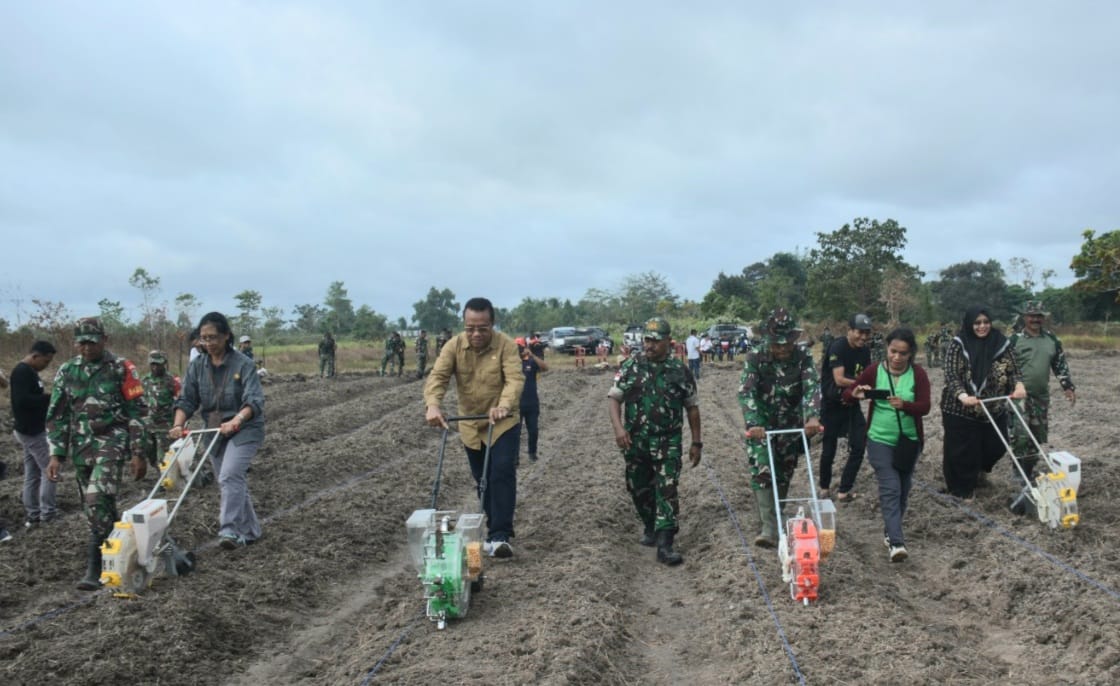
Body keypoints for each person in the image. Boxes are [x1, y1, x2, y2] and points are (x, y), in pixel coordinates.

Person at [45, 317, 147, 589]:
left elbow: (137, 410)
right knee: (97, 507)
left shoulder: (122, 368)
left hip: (112, 440)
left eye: (91, 342)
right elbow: (57, 415)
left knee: (96, 497)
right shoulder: (68, 371)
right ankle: (120, 551)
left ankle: (95, 565)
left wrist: (139, 452)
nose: (86, 348)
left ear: (104, 340)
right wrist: (56, 454)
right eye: (81, 342)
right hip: (81, 446)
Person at [424, 298, 524, 558]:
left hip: (501, 422)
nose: (476, 334)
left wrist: (503, 405)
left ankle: (500, 535)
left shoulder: (506, 345)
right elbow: (439, 376)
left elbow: (514, 379)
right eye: (470, 328)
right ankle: (492, 524)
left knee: (501, 472)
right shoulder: (453, 346)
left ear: (492, 324)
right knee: (482, 479)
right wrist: (433, 405)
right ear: (464, 325)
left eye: (483, 328)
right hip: (470, 424)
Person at [607, 317, 700, 566]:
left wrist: (696, 443)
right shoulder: (631, 366)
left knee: (666, 489)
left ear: (669, 342)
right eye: (647, 340)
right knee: (638, 487)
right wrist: (619, 429)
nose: (650, 345)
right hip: (635, 441)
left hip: (667, 441)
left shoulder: (680, 371)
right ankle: (650, 525)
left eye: (656, 341)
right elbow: (614, 399)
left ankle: (665, 542)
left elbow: (692, 408)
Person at [170, 312, 265, 549]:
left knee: (229, 475)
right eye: (204, 339)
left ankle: (229, 530)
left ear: (226, 336)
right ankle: (251, 531)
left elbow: (254, 400)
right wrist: (178, 424)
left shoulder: (243, 364)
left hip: (244, 428)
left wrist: (237, 420)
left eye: (213, 338)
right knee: (231, 482)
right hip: (213, 430)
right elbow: (187, 400)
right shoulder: (197, 366)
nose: (208, 343)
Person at [844, 328, 931, 562]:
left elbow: (925, 406)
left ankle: (890, 531)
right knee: (890, 487)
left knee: (903, 490)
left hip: (909, 442)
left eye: (903, 353)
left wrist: (905, 405)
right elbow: (848, 394)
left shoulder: (918, 374)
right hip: (879, 439)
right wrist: (858, 393)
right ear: (886, 349)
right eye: (893, 351)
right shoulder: (874, 371)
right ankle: (896, 542)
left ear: (910, 353)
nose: (897, 357)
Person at [739, 308, 822, 548]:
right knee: (763, 468)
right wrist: (754, 422)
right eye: (778, 344)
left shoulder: (803, 356)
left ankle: (777, 512)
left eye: (787, 344)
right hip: (762, 424)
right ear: (769, 339)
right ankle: (768, 527)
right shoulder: (756, 356)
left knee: (785, 469)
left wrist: (812, 417)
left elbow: (811, 387)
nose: (783, 349)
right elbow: (747, 391)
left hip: (791, 422)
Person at [940, 306, 1027, 500]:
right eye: (977, 323)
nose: (982, 326)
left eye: (986, 322)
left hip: (992, 406)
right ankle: (960, 492)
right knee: (962, 452)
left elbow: (1014, 370)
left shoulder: (1001, 342)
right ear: (970, 324)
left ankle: (978, 473)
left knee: (996, 445)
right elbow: (952, 374)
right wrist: (963, 395)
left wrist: (1019, 385)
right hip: (960, 409)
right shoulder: (959, 343)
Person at [1009, 300, 1076, 484]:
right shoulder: (1014, 340)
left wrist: (1067, 386)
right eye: (1031, 316)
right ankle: (1018, 472)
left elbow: (1059, 365)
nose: (1035, 319)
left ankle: (1029, 471)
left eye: (1039, 316)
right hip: (1018, 397)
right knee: (1020, 435)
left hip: (1041, 397)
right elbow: (1005, 367)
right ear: (1024, 317)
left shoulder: (1051, 340)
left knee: (1037, 435)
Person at [819, 313, 873, 501]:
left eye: (867, 333)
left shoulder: (865, 351)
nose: (863, 337)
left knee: (859, 444)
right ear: (850, 331)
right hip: (832, 403)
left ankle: (844, 490)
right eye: (860, 332)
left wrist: (866, 386)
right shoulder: (838, 346)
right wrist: (861, 385)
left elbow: (867, 375)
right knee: (829, 447)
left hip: (851, 403)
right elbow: (839, 379)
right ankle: (824, 487)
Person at [11, 340, 59, 529]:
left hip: (30, 430)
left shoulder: (30, 372)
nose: (46, 365)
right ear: (35, 356)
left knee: (32, 473)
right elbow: (22, 401)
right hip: (30, 431)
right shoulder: (22, 372)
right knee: (51, 470)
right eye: (45, 361)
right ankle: (48, 513)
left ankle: (34, 514)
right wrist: (49, 398)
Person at [141, 350, 180, 469]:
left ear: (164, 363)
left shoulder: (172, 381)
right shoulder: (144, 381)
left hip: (165, 426)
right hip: (148, 425)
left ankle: (164, 481)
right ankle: (160, 472)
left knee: (163, 458)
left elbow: (180, 401)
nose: (155, 367)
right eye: (153, 364)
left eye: (158, 364)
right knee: (150, 454)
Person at [517, 337, 549, 463]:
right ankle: (515, 458)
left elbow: (545, 368)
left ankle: (532, 453)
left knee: (533, 430)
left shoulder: (531, 361)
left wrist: (532, 355)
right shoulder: (511, 363)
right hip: (516, 404)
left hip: (531, 402)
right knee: (515, 433)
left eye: (520, 347)